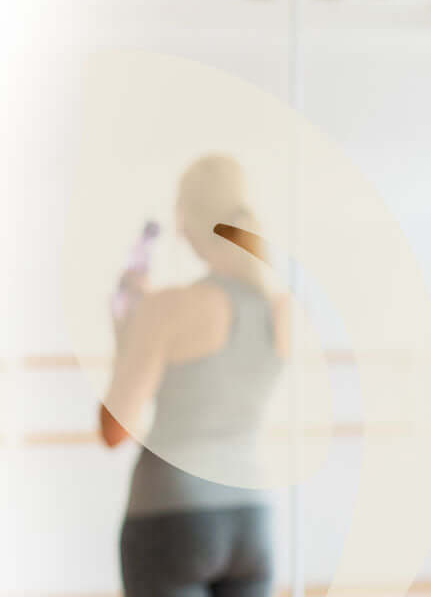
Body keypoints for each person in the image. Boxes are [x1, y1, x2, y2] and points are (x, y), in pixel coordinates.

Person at [99, 153, 295, 597]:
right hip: (251, 516)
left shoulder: (169, 308)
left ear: (186, 222)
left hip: (172, 513)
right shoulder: (280, 309)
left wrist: (128, 333)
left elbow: (114, 429)